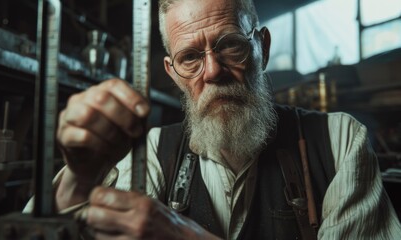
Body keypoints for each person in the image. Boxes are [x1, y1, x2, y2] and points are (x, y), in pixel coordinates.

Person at [40, 0, 401, 239]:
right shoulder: (154, 152)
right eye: (190, 57)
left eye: (230, 45)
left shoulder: (338, 142)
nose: (212, 71)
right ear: (173, 72)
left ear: (262, 47)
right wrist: (78, 177)